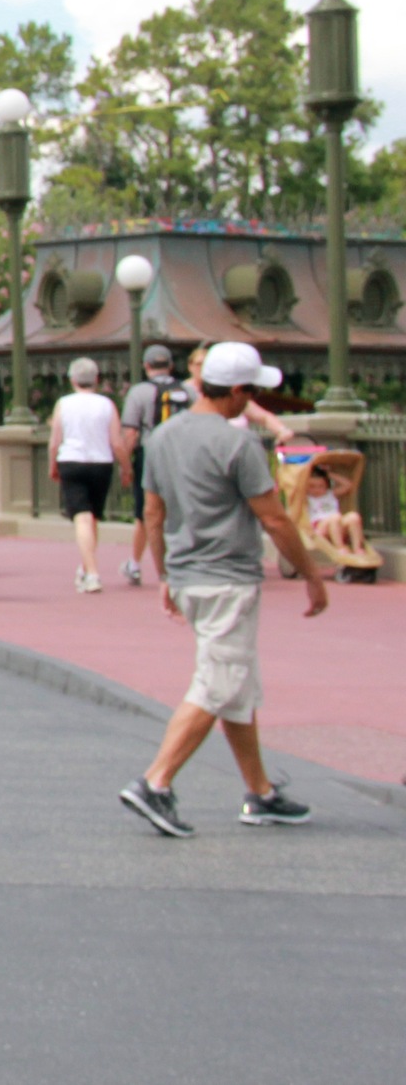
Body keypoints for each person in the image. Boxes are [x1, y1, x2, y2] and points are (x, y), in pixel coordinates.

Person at [121, 342, 328, 839]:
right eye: (251, 392)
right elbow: (274, 518)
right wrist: (312, 574)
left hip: (188, 574)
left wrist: (165, 574)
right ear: (235, 391)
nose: (252, 401)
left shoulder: (163, 437)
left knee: (236, 685)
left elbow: (153, 513)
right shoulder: (239, 445)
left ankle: (260, 792)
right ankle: (156, 781)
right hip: (228, 577)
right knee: (218, 683)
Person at [50, 357, 128, 593]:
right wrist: (127, 467)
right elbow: (117, 442)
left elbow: (55, 440)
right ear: (96, 379)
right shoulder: (107, 405)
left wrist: (52, 465)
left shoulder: (64, 404)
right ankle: (87, 568)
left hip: (72, 460)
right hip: (101, 463)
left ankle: (92, 573)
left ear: (72, 379)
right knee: (92, 517)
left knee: (82, 518)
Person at [117, 344, 189, 587]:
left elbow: (130, 433)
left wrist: (125, 465)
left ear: (146, 366)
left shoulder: (139, 392)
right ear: (171, 365)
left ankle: (137, 564)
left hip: (151, 455)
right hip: (183, 455)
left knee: (146, 512)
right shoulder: (187, 390)